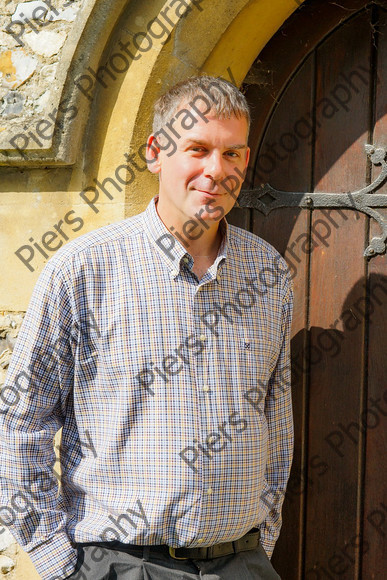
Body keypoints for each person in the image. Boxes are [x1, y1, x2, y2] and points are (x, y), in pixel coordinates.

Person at [0, 75, 293, 580]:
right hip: (120, 564)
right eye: (198, 149)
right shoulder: (85, 269)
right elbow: (19, 422)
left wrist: (260, 542)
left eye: (232, 154)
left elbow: (276, 417)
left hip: (241, 564)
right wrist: (56, 563)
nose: (216, 170)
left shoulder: (267, 272)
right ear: (156, 152)